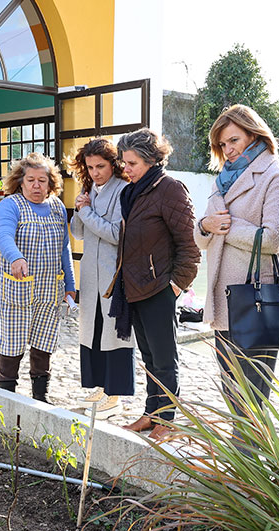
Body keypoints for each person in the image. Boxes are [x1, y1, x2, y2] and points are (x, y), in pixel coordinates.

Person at [194, 104, 279, 405]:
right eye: (222, 144)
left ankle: (250, 453)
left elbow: (274, 238)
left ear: (253, 134)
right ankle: (242, 453)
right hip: (223, 302)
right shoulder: (222, 179)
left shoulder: (275, 174)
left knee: (251, 401)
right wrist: (205, 225)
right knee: (233, 399)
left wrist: (226, 226)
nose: (227, 150)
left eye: (233, 140)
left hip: (255, 302)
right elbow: (203, 237)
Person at [107, 128, 200, 440]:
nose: (125, 168)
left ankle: (168, 421)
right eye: (124, 162)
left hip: (159, 288)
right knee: (148, 358)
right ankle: (151, 414)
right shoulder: (131, 192)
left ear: (150, 160)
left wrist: (174, 286)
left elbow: (190, 246)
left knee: (164, 358)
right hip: (135, 287)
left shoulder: (170, 189)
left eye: (131, 163)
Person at [0, 153, 76, 401]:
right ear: (21, 181)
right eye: (31, 180)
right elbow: (4, 235)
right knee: (12, 344)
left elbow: (64, 248)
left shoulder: (58, 207)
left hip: (49, 291)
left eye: (42, 180)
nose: (36, 186)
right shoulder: (10, 205)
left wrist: (70, 285)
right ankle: (6, 399)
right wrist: (16, 258)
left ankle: (40, 397)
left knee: (44, 343)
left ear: (51, 183)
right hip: (15, 291)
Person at [69, 139, 133, 418]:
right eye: (90, 167)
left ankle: (115, 395)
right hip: (91, 275)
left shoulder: (123, 190)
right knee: (93, 331)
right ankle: (101, 388)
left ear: (113, 164)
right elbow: (79, 233)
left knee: (114, 333)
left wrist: (86, 212)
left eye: (101, 166)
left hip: (114, 275)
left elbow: (117, 235)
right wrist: (78, 208)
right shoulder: (90, 189)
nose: (95, 172)